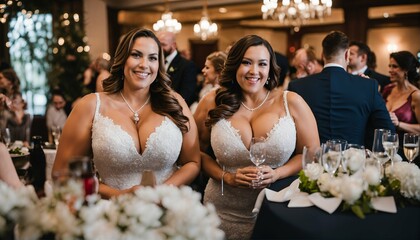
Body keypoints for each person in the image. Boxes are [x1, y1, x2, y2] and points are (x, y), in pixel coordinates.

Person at [194, 35, 319, 240]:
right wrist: (226, 176)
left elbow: (311, 153)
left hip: (277, 209)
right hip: (220, 211)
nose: (254, 71)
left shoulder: (291, 102)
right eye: (246, 62)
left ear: (270, 68)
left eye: (262, 64)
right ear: (234, 65)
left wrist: (278, 173)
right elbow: (194, 153)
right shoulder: (212, 102)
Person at [52, 28, 201, 199]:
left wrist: (160, 192)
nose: (144, 64)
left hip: (169, 209)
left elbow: (193, 162)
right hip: (111, 213)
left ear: (159, 64)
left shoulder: (175, 103)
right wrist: (119, 195)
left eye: (152, 58)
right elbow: (62, 173)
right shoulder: (91, 106)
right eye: (136, 55)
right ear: (122, 59)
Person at [288, 31, 395, 149]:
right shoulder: (368, 86)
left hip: (311, 163)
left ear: (323, 55)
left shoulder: (297, 86)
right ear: (346, 55)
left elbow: (289, 133)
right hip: (354, 163)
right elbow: (387, 131)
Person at [382, 51, 420, 166]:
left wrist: (399, 124)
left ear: (406, 70)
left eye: (395, 66)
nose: (390, 70)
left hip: (407, 152)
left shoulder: (416, 95)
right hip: (386, 147)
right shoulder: (387, 89)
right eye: (390, 66)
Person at [157, 31, 198, 106]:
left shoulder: (187, 65)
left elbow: (186, 94)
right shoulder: (156, 62)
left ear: (174, 45)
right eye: (158, 44)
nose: (160, 48)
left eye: (163, 44)